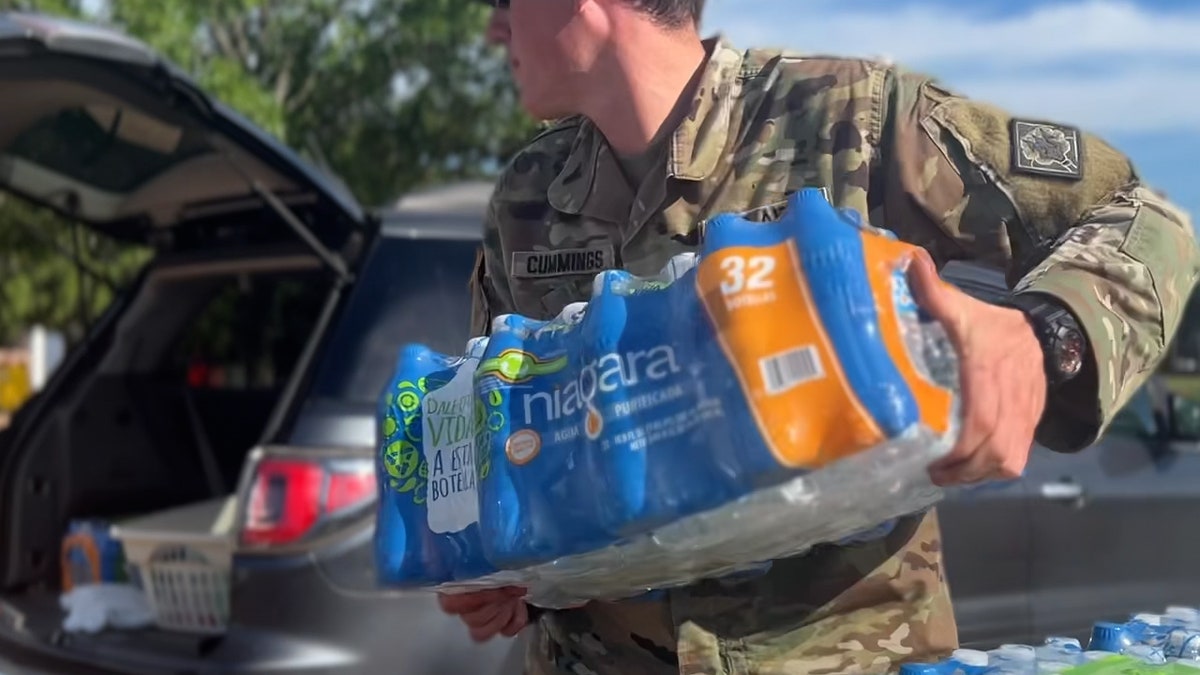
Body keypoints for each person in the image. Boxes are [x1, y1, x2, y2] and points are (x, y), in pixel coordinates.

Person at [441, 1, 1200, 673]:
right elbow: (516, 446)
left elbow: (1140, 214)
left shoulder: (848, 119)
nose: (493, 28)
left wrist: (1043, 335)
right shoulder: (529, 196)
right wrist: (516, 578)